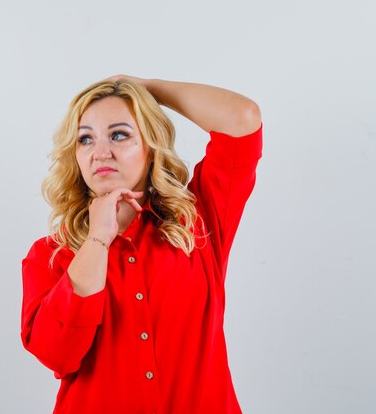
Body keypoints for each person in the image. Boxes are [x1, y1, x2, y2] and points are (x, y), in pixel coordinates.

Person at [20, 75, 263, 414]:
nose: (100, 152)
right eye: (85, 139)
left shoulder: (197, 221)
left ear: (150, 147)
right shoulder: (49, 256)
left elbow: (242, 119)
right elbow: (57, 354)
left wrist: (149, 89)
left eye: (119, 134)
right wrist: (98, 239)